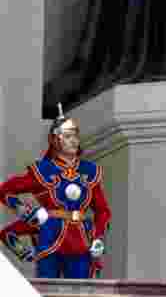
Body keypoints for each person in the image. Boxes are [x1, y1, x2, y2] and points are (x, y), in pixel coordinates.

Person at [0, 105, 111, 279]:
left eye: (75, 135)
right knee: (47, 292)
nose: (74, 140)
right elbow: (4, 191)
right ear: (55, 140)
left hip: (81, 240)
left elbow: (102, 211)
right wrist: (27, 212)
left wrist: (98, 237)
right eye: (68, 136)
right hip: (50, 235)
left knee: (80, 295)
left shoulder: (89, 171)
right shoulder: (43, 170)